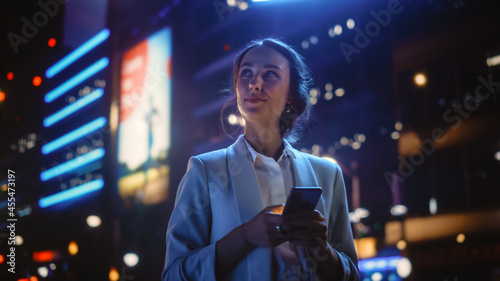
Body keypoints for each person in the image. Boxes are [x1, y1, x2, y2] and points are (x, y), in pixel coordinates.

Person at [162, 38, 359, 281]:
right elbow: (173, 275)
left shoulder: (328, 174)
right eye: (246, 73)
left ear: (290, 95)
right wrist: (245, 236)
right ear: (236, 88)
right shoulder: (204, 170)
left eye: (270, 75)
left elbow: (351, 275)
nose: (254, 83)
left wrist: (321, 248)